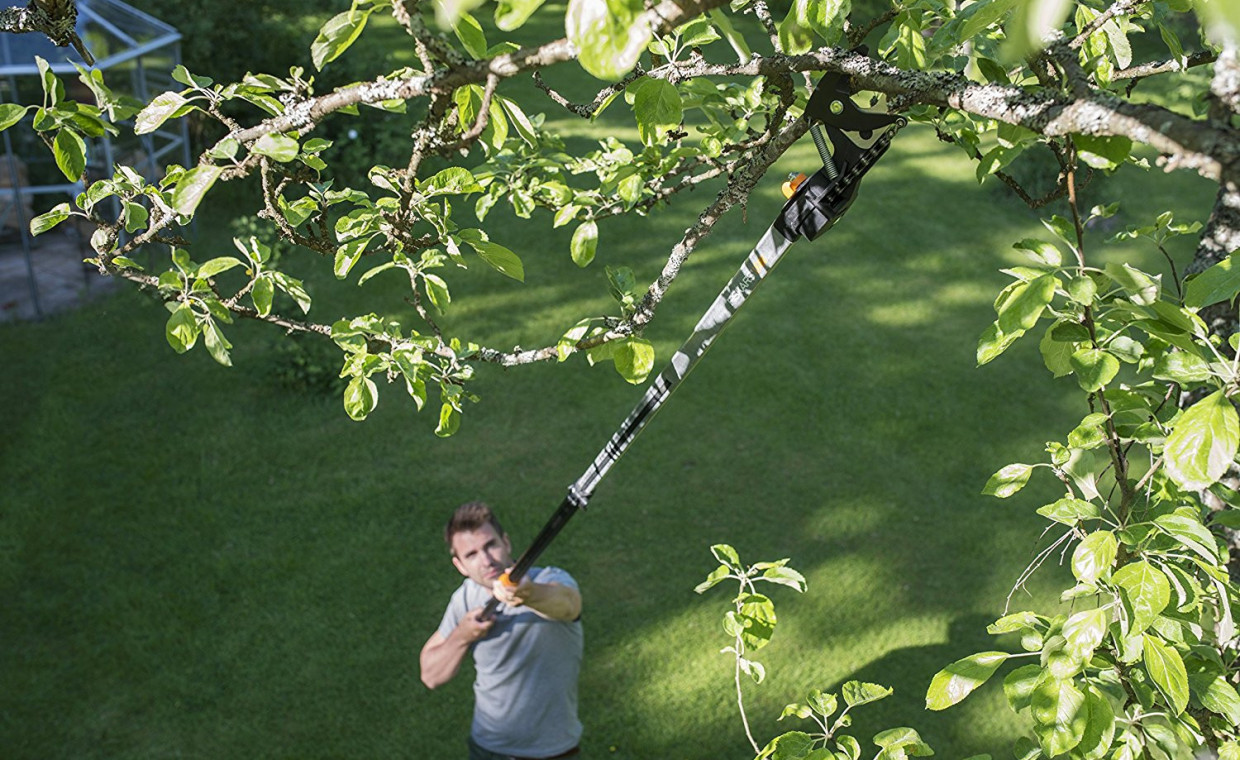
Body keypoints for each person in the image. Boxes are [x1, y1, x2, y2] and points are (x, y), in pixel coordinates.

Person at [420, 501, 584, 760]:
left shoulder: (548, 579)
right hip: (488, 749)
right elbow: (430, 675)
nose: (486, 561)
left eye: (491, 545)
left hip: (552, 752)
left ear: (506, 542)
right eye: (471, 555)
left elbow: (568, 605)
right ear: (460, 566)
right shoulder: (465, 599)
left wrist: (528, 594)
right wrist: (462, 636)